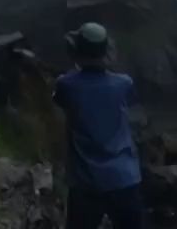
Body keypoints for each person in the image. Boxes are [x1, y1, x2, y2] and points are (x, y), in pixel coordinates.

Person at [52, 22, 145, 229]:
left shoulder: (66, 85)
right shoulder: (124, 83)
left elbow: (60, 100)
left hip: (87, 183)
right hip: (124, 178)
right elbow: (131, 106)